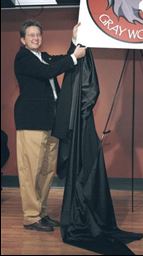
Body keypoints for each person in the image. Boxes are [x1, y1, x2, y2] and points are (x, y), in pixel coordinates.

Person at [14, 19, 86, 232]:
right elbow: (49, 72)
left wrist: (74, 41)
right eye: (31, 35)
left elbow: (62, 61)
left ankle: (41, 213)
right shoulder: (23, 58)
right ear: (23, 40)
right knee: (31, 171)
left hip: (51, 122)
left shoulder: (43, 57)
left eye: (38, 34)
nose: (35, 38)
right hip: (31, 122)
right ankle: (30, 217)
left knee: (46, 171)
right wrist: (73, 58)